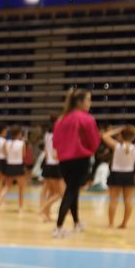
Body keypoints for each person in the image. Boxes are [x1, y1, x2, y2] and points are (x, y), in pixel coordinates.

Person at [53, 89, 100, 238]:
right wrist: (89, 150)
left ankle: (76, 222)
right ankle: (59, 227)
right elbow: (95, 141)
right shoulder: (87, 119)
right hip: (80, 160)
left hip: (64, 161)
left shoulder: (61, 119)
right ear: (79, 102)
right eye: (88, 100)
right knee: (70, 192)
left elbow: (55, 142)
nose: (89, 103)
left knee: (73, 191)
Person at [102, 125, 135, 230]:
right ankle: (124, 224)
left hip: (116, 174)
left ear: (121, 135)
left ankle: (111, 224)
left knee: (113, 200)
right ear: (132, 137)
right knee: (128, 201)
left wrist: (117, 129)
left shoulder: (117, 146)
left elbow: (105, 136)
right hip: (129, 175)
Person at [0, 126, 29, 214]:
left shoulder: (7, 142)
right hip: (18, 165)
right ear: (19, 134)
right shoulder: (22, 143)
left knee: (6, 187)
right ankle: (20, 208)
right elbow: (23, 155)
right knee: (21, 188)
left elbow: (5, 154)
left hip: (9, 165)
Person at [38, 121, 64, 224]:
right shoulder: (57, 136)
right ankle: (43, 209)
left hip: (48, 164)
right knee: (59, 193)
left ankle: (46, 215)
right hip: (55, 165)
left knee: (51, 192)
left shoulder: (47, 135)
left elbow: (46, 151)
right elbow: (56, 154)